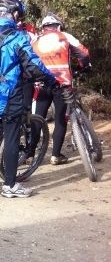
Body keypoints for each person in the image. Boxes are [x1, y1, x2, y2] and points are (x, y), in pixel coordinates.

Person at [0, 0, 58, 197]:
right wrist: (51, 80)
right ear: (15, 14)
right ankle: (10, 185)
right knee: (11, 137)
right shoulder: (17, 37)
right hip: (8, 96)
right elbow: (34, 66)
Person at [31, 13, 91, 165]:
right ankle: (55, 155)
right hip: (62, 83)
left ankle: (30, 154)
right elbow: (84, 54)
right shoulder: (65, 36)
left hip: (42, 84)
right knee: (60, 119)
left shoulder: (35, 40)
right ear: (58, 26)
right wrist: (83, 67)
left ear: (43, 28)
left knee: (38, 117)